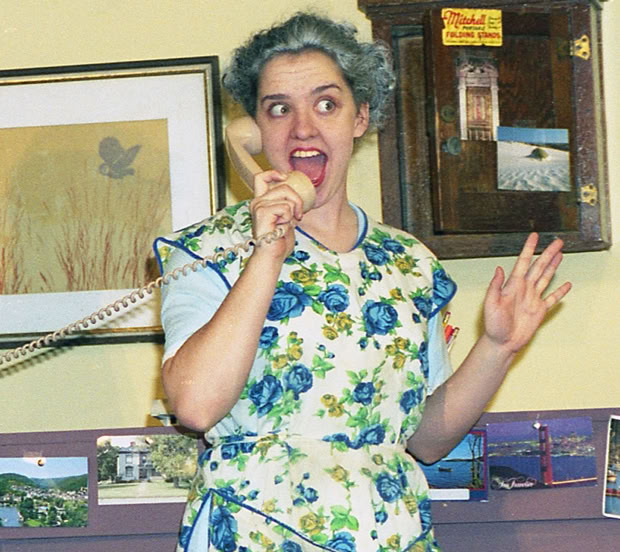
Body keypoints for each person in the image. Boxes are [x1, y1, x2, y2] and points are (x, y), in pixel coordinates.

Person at [153, 11, 572, 552]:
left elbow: (424, 440)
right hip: (255, 532)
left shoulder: (409, 263)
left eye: (326, 104)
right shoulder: (206, 251)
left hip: (389, 533)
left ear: (361, 117)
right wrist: (267, 253)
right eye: (279, 108)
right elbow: (195, 405)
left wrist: (498, 347)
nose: (303, 127)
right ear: (253, 131)